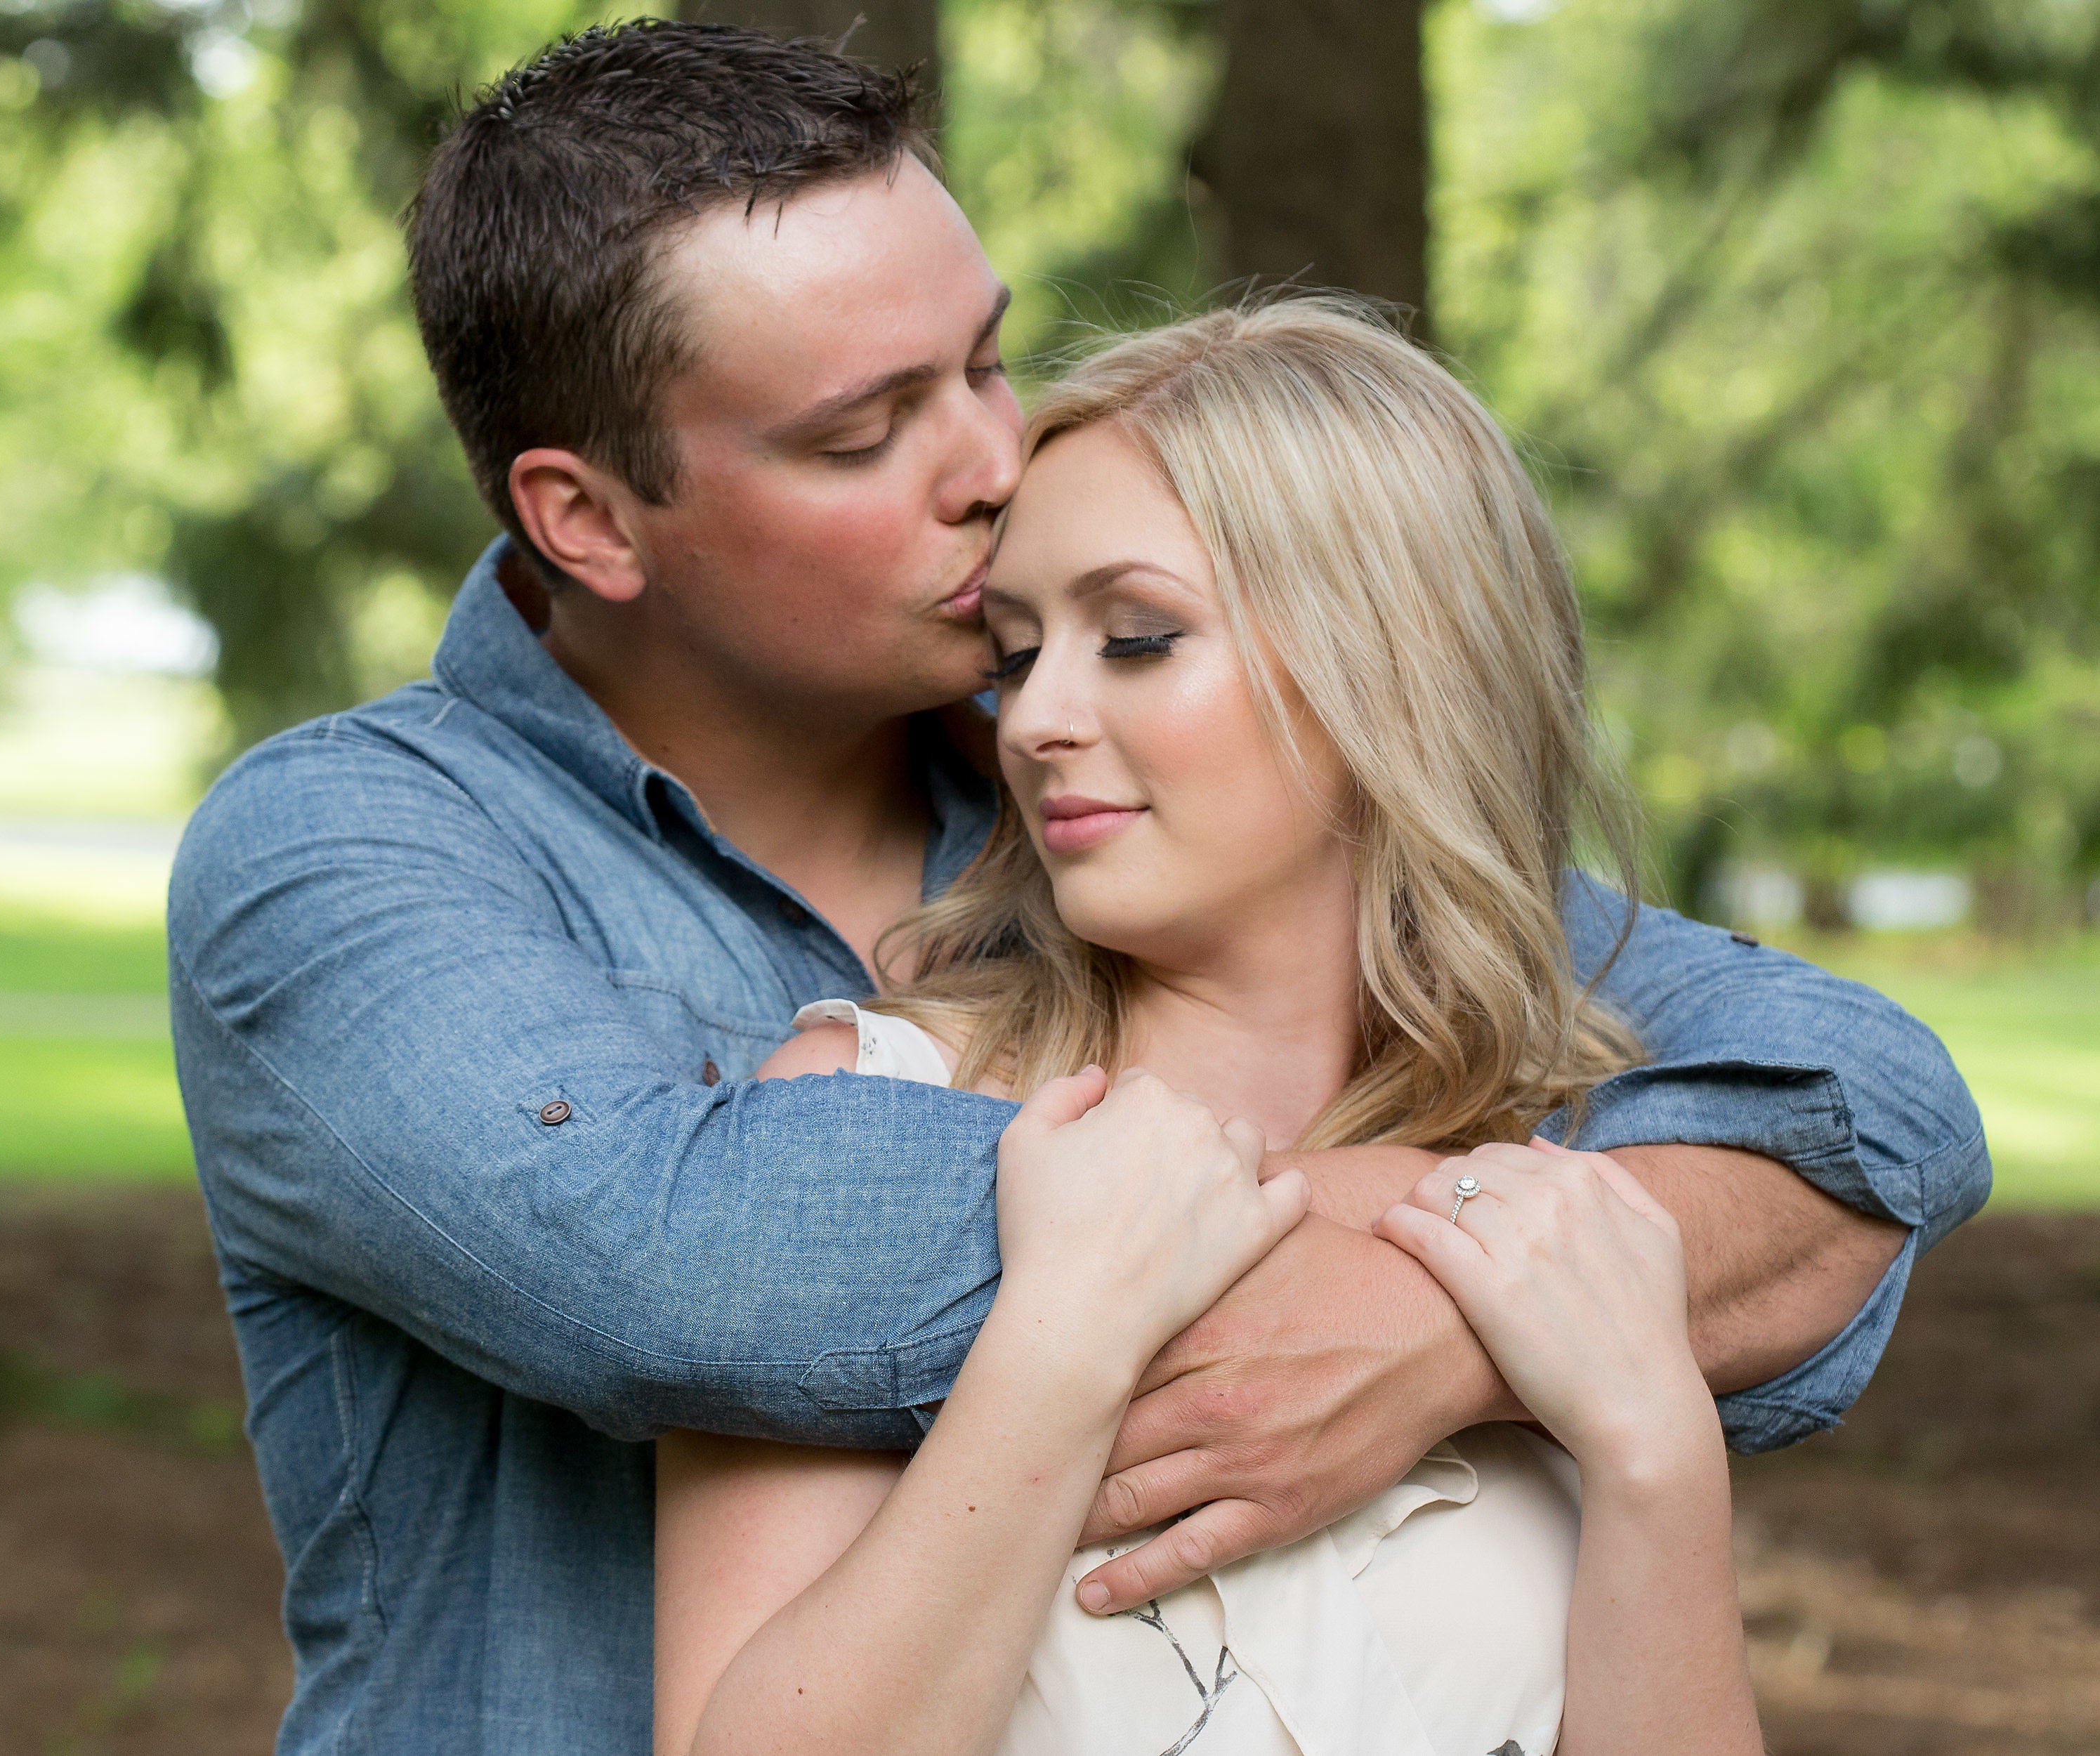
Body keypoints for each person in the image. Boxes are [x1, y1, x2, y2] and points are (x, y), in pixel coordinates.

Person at [164, 21, 1986, 1755]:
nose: (987, 463)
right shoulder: (344, 855)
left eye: (981, 359)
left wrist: (1432, 1329)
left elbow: (1862, 1115)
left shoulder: (1124, 806)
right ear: (587, 520)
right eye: (864, 428)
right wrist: (1482, 1248)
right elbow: (685, 1264)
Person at [655, 299, 1762, 1756]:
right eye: (1017, 646)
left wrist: (1654, 1455)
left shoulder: (1564, 1164)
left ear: (1395, 662)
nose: (1034, 717)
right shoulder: (864, 1110)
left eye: (1135, 637)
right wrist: (1066, 1328)